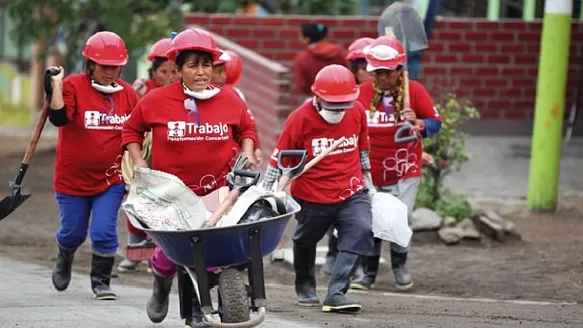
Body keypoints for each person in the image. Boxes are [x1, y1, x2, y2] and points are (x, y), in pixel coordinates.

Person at [121, 28, 259, 327]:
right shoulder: (157, 100)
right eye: (192, 65)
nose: (200, 72)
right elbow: (131, 129)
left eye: (206, 64)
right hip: (170, 193)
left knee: (211, 252)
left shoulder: (230, 99)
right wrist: (140, 161)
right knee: (170, 256)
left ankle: (199, 311)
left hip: (217, 190)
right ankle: (160, 283)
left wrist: (247, 151)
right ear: (179, 69)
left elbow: (246, 129)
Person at [261, 64, 374, 313]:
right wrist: (267, 192)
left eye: (342, 105)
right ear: (318, 96)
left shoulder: (356, 112)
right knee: (306, 238)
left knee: (362, 229)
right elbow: (278, 160)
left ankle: (336, 293)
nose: (337, 111)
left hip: (351, 189)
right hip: (312, 195)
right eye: (332, 105)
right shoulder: (300, 119)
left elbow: (362, 150)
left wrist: (369, 183)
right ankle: (304, 283)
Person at [47, 31, 138, 300]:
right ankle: (65, 257)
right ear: (90, 64)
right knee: (73, 233)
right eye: (104, 66)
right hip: (71, 178)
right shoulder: (73, 86)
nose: (110, 72)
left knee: (103, 231)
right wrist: (55, 86)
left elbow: (137, 131)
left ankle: (101, 282)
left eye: (115, 66)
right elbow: (60, 118)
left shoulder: (129, 95)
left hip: (110, 179)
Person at [349, 35, 441, 292]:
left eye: (386, 73)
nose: (380, 78)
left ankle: (400, 264)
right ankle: (368, 272)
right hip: (370, 167)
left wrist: (420, 124)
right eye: (375, 72)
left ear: (399, 71)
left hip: (404, 167)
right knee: (372, 218)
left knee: (403, 216)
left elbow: (435, 123)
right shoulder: (362, 94)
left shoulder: (416, 91)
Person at [117, 37, 178, 273]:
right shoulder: (143, 90)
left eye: (174, 70)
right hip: (143, 152)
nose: (169, 76)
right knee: (136, 200)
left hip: (169, 153)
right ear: (154, 71)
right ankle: (134, 253)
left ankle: (157, 253)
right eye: (164, 71)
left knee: (162, 204)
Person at [292, 22, 349, 98]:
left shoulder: (302, 58)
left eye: (301, 36)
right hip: (341, 97)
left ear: (307, 39)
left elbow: (302, 84)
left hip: (315, 98)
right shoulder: (339, 52)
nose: (299, 39)